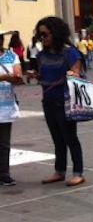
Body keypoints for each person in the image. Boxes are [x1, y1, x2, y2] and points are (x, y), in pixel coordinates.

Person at [28, 16, 85, 187]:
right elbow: (42, 75)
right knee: (56, 138)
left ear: (56, 33)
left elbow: (77, 74)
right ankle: (59, 171)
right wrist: (35, 75)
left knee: (70, 137)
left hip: (65, 100)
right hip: (48, 100)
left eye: (45, 34)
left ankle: (78, 172)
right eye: (40, 36)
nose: (42, 38)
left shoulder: (70, 52)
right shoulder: (41, 55)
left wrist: (73, 74)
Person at [0, 31, 24, 186]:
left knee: (4, 142)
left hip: (5, 105)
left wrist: (17, 77)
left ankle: (3, 173)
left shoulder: (10, 55)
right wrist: (3, 77)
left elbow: (17, 72)